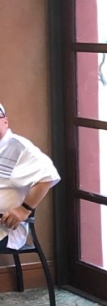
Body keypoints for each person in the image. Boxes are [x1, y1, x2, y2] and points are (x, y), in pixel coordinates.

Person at [0, 102, 60, 248]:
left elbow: (48, 175)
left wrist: (24, 210)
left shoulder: (19, 147)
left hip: (5, 229)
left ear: (5, 121)